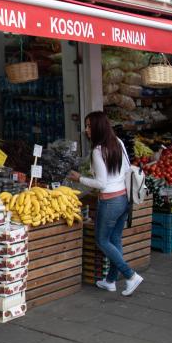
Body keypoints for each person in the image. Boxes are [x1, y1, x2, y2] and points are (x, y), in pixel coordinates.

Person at [67, 111, 144, 296]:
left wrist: (80, 178)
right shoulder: (118, 142)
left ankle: (130, 275)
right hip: (124, 199)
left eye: (88, 126)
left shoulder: (98, 151)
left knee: (102, 241)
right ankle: (110, 281)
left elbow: (101, 184)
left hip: (110, 202)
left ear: (98, 127)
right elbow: (126, 170)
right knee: (115, 240)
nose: (86, 130)